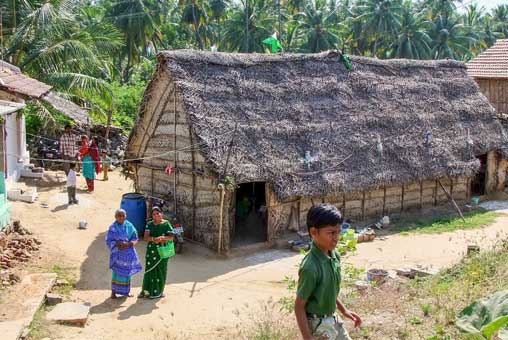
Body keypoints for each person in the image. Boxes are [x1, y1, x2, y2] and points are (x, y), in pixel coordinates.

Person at [295, 204, 362, 340]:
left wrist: (344, 310)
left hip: (333, 318)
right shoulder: (310, 267)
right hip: (318, 325)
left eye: (338, 231)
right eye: (331, 233)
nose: (336, 237)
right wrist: (308, 338)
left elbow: (327, 289)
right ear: (314, 232)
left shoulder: (334, 255)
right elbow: (299, 307)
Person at [139, 206, 174, 299]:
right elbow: (146, 237)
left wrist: (163, 238)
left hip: (163, 252)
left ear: (161, 214)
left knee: (161, 271)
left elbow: (171, 237)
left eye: (157, 213)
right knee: (149, 270)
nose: (156, 215)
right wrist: (154, 239)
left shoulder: (167, 224)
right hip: (152, 252)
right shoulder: (149, 224)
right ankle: (146, 291)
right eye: (154, 214)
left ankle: (159, 291)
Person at [105, 209, 142, 298]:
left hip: (128, 253)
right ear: (115, 217)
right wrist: (117, 243)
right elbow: (108, 240)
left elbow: (135, 238)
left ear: (125, 216)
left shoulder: (129, 226)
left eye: (123, 216)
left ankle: (126, 292)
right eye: (119, 216)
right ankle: (113, 293)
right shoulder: (112, 227)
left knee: (127, 273)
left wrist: (128, 244)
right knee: (116, 273)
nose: (121, 217)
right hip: (117, 254)